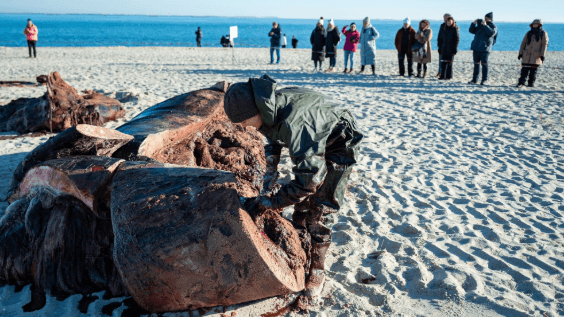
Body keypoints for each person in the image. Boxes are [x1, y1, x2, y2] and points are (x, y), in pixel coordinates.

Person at [223, 74, 363, 297]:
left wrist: (271, 202)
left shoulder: (295, 125)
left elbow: (309, 182)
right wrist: (271, 167)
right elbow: (271, 135)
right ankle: (299, 235)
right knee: (301, 209)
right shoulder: (267, 104)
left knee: (321, 207)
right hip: (316, 124)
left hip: (340, 137)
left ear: (256, 112)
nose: (244, 128)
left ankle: (318, 270)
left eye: (243, 122)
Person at [517, 19, 549, 88]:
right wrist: (520, 53)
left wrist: (542, 55)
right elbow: (523, 43)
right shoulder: (529, 33)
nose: (534, 25)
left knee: (533, 71)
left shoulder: (543, 33)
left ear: (539, 25)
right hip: (526, 55)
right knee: (524, 70)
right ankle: (521, 83)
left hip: (536, 56)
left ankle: (530, 83)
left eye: (536, 24)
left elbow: (544, 45)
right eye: (534, 24)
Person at [469, 12, 498, 85]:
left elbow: (491, 33)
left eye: (487, 18)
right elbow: (471, 31)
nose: (485, 19)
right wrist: (473, 23)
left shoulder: (493, 26)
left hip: (485, 49)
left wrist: (485, 25)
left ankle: (484, 80)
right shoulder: (480, 26)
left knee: (484, 65)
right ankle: (474, 79)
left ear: (490, 19)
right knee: (476, 64)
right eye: (485, 18)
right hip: (476, 47)